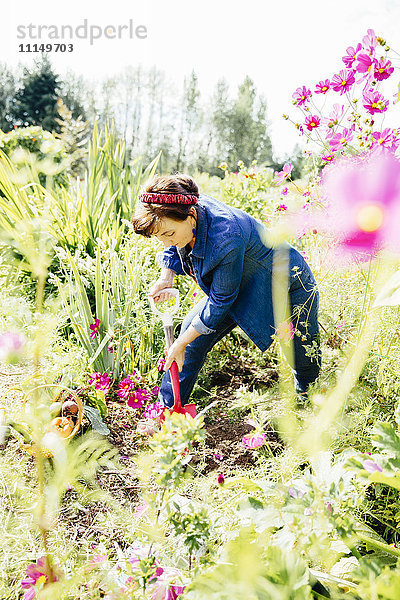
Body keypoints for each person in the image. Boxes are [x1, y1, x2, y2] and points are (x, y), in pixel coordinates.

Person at [131, 174, 321, 409]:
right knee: (189, 343)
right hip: (232, 283)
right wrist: (166, 276)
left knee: (300, 352)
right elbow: (175, 246)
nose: (165, 242)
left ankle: (309, 403)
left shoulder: (225, 237)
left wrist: (178, 342)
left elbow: (221, 301)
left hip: (286, 284)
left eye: (168, 234)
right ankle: (167, 409)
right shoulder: (184, 208)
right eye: (158, 236)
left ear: (191, 215)